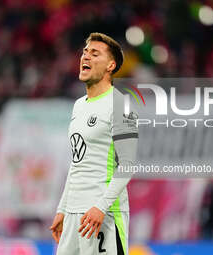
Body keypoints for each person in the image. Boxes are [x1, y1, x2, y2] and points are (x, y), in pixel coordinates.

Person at [50, 32, 138, 255]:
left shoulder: (121, 104)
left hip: (103, 214)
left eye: (94, 53)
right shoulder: (79, 105)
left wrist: (101, 206)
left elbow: (128, 164)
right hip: (73, 215)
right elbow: (78, 162)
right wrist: (63, 209)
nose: (85, 57)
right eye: (85, 52)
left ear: (111, 65)